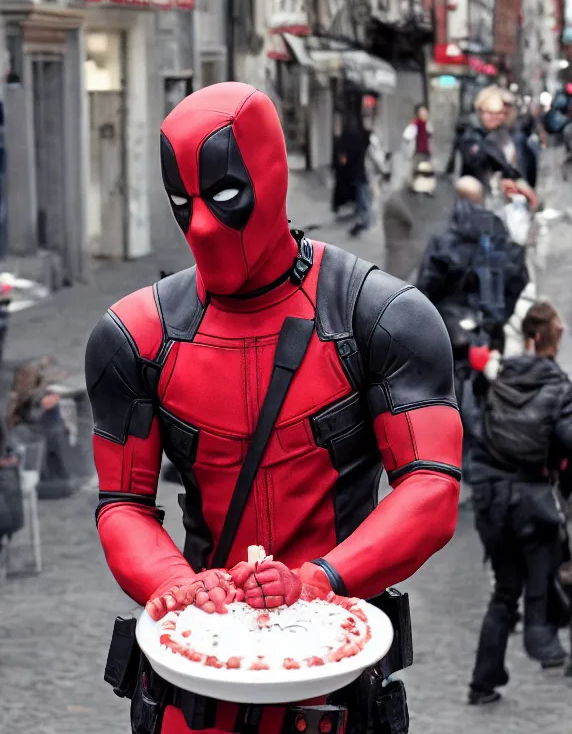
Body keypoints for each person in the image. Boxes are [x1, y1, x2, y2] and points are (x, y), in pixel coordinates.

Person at [85, 82, 463, 734]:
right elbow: (121, 504)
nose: (202, 225)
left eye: (225, 195)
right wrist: (178, 584)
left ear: (271, 176)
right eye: (184, 203)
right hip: (197, 688)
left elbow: (432, 487)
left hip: (334, 686)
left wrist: (322, 578)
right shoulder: (136, 337)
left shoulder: (380, 318)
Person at [468, 301, 572, 705]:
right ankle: (543, 641)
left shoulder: (500, 375)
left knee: (505, 591)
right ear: (553, 340)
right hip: (532, 501)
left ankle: (482, 683)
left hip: (491, 502)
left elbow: (477, 424)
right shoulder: (561, 388)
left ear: (529, 338)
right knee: (548, 576)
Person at [416, 176, 529, 483]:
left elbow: (426, 286)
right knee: (490, 386)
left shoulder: (444, 236)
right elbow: (518, 273)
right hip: (490, 327)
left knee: (450, 393)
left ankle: (459, 456)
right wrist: (501, 313)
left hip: (452, 330)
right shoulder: (498, 231)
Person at [336, 113, 373, 237]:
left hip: (360, 172)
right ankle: (363, 219)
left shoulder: (350, 137)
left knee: (363, 197)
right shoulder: (363, 136)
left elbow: (345, 157)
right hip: (363, 171)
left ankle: (366, 220)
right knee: (362, 195)